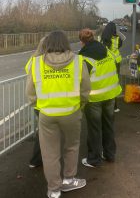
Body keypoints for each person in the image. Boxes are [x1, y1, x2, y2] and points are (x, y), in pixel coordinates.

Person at [25, 30, 91, 198]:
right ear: (65, 43)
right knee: (72, 146)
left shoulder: (37, 63)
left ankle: (54, 189)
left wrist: (39, 107)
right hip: (72, 112)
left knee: (49, 153)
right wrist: (80, 105)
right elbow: (85, 89)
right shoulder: (78, 61)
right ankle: (69, 180)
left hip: (47, 114)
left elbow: (30, 93)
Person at [79, 28, 122, 167]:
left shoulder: (84, 58)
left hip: (94, 98)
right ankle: (109, 154)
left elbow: (81, 80)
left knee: (94, 129)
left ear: (82, 42)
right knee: (108, 125)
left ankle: (94, 159)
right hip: (110, 95)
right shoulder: (107, 50)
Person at [25, 36, 47, 169]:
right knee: (45, 133)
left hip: (38, 102)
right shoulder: (49, 60)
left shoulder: (33, 60)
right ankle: (36, 159)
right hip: (47, 102)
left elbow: (28, 71)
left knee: (43, 132)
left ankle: (36, 159)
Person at [101, 22, 126, 112]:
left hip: (106, 62)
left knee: (105, 82)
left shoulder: (102, 37)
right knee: (114, 83)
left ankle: (105, 105)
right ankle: (114, 106)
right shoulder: (117, 38)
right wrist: (117, 32)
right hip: (116, 62)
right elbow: (123, 39)